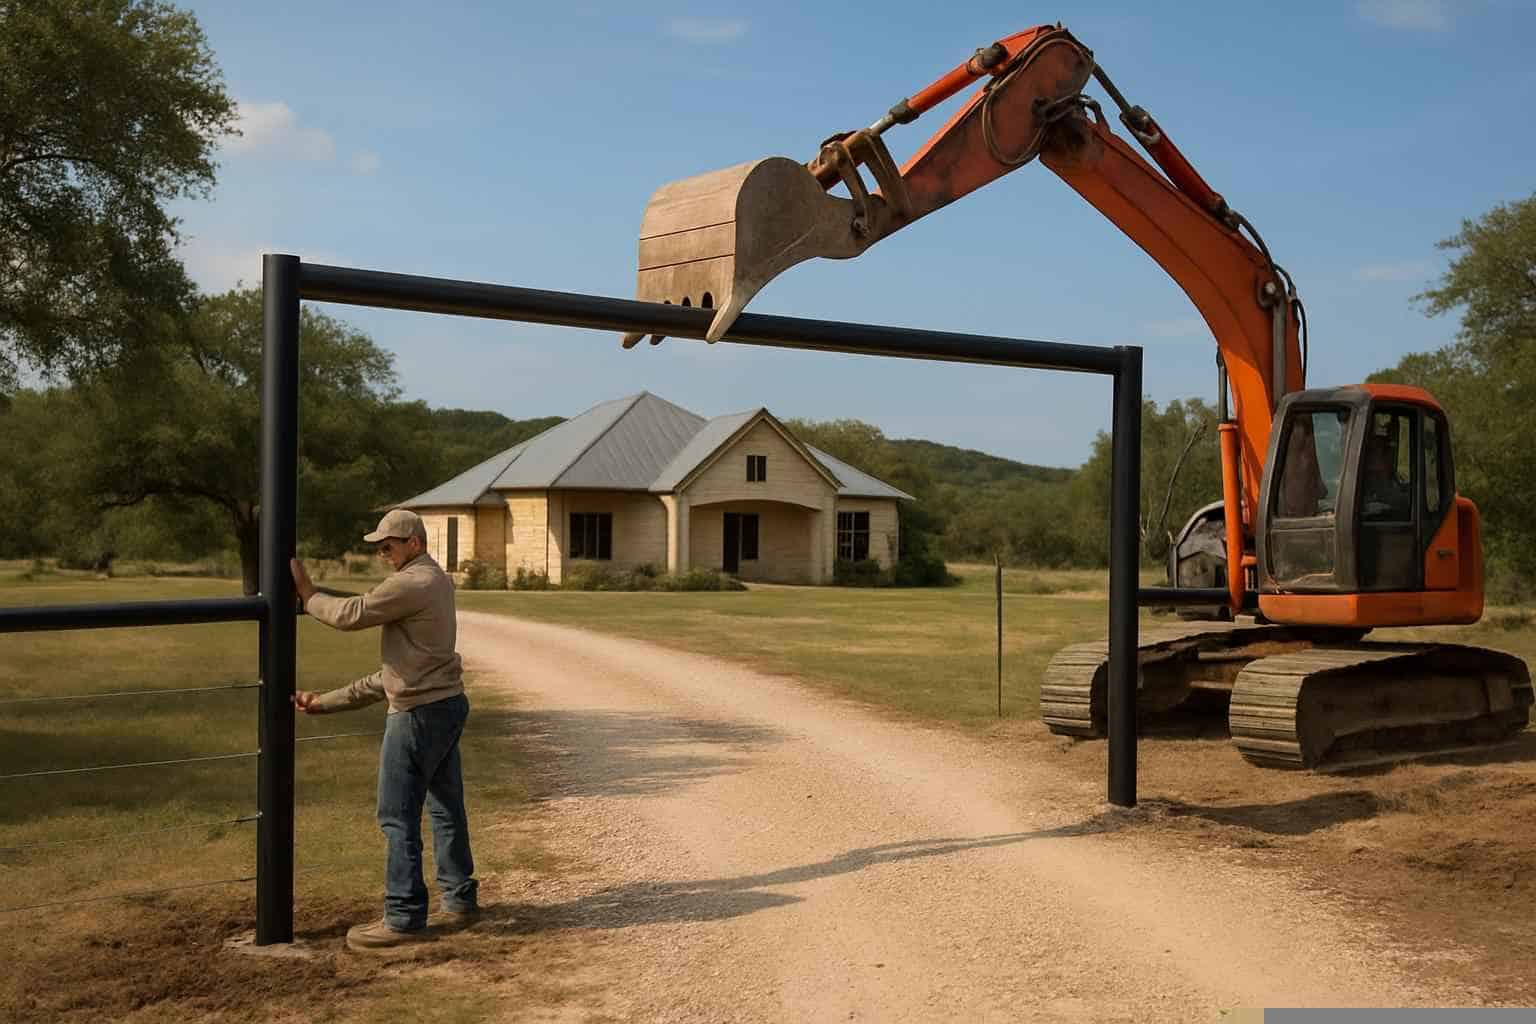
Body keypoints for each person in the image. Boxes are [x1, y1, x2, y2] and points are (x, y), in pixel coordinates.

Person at [289, 507, 479, 951]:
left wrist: (308, 594)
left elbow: (351, 613)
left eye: (388, 547)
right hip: (445, 704)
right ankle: (459, 898)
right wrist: (326, 703)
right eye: (379, 549)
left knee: (396, 816)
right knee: (445, 807)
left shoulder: (416, 581)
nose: (383, 556)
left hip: (418, 715)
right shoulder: (433, 580)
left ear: (413, 543)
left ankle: (403, 916)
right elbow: (394, 675)